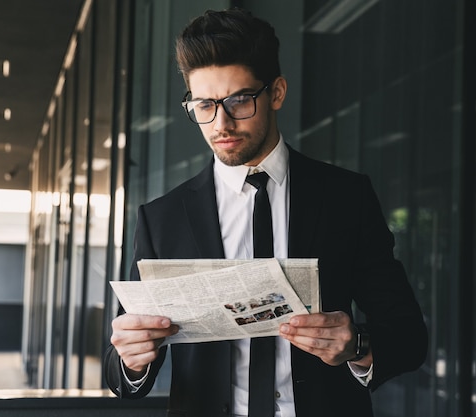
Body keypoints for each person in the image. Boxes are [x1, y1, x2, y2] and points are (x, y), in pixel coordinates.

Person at [104, 7, 428, 417]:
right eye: (204, 105)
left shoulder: (346, 197)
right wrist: (132, 360)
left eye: (239, 101)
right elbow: (122, 374)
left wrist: (357, 346)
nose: (220, 123)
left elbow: (409, 337)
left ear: (276, 92)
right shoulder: (162, 217)